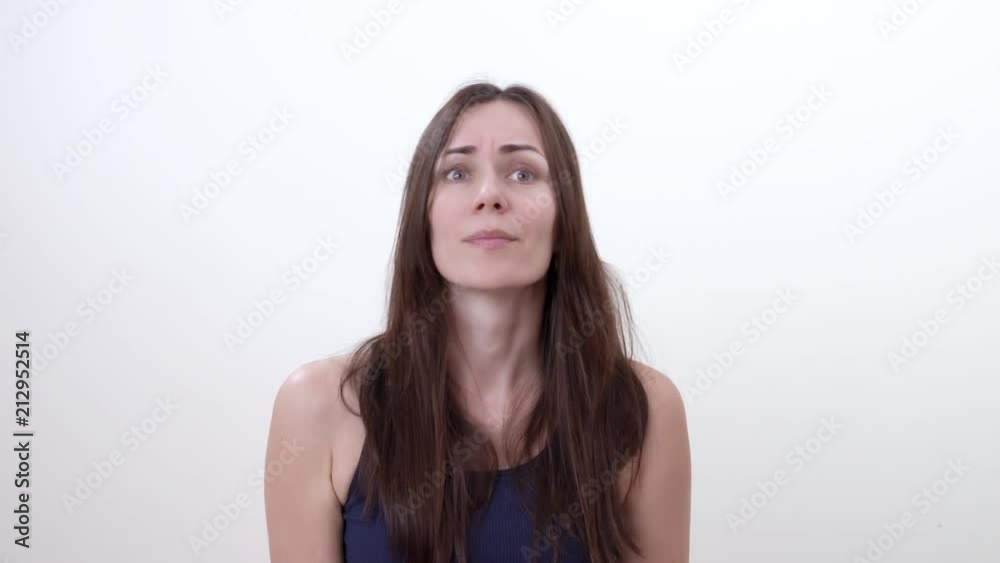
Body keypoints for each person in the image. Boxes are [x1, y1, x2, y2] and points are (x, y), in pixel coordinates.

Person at [263, 81, 690, 563]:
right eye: (457, 172)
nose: (489, 195)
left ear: (563, 219)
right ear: (423, 217)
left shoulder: (643, 409)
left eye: (523, 173)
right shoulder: (318, 406)